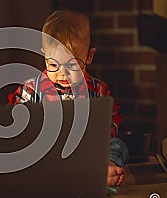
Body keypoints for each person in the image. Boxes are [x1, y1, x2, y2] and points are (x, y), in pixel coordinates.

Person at [8, 10, 129, 187]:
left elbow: (111, 119)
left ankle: (105, 169)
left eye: (72, 65)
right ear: (44, 56)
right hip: (47, 152)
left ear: (89, 56)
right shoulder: (31, 89)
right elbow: (15, 123)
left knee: (118, 145)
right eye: (53, 65)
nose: (62, 73)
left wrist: (101, 135)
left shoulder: (97, 89)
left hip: (85, 151)